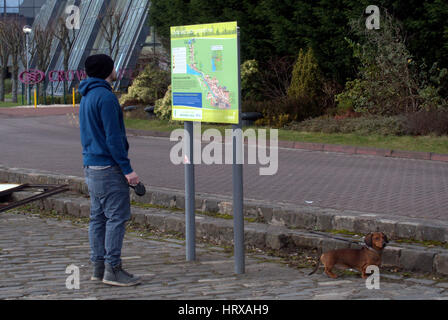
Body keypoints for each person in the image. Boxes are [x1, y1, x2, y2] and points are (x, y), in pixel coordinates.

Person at [78, 54, 141, 287]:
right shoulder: (106, 97)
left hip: (91, 165)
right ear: (108, 69)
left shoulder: (87, 95)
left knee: (98, 218)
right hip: (108, 167)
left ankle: (98, 266)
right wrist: (128, 170)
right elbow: (113, 138)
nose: (116, 70)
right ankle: (113, 269)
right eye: (114, 66)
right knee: (116, 217)